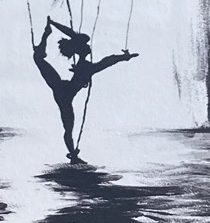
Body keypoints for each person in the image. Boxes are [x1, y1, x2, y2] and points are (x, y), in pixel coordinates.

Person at [33, 17, 138, 161]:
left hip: (62, 90)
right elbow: (107, 61)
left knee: (38, 58)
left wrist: (52, 25)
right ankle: (73, 156)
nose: (89, 47)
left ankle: (73, 155)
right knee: (68, 129)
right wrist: (124, 57)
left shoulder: (85, 66)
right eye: (86, 46)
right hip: (64, 94)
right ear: (80, 49)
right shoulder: (87, 67)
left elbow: (107, 60)